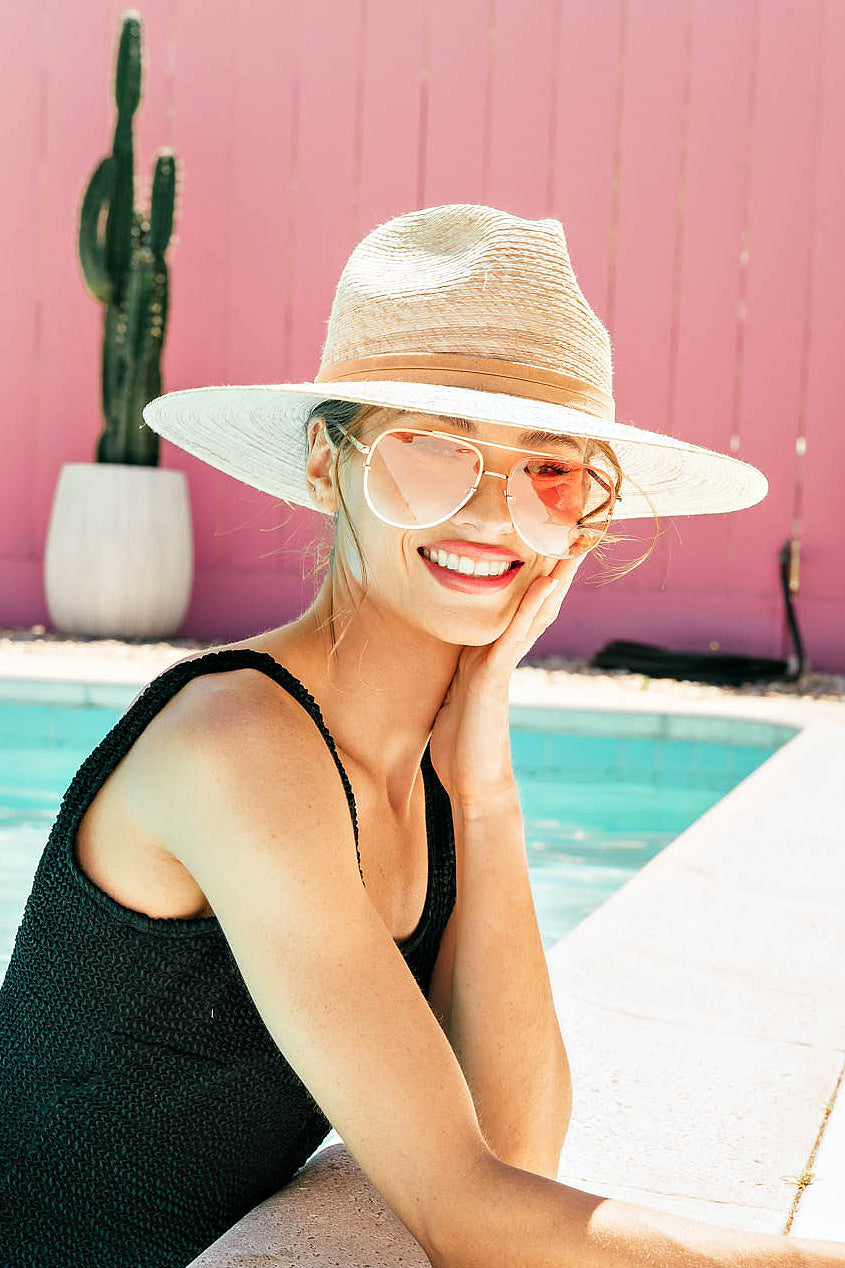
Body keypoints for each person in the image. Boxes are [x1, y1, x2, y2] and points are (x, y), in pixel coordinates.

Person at [0, 203, 840, 1268]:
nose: (492, 514)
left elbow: (517, 1149)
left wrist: (483, 790)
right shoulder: (238, 740)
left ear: (583, 519)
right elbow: (465, 1213)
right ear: (325, 463)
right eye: (433, 451)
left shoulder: (433, 774)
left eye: (548, 471)